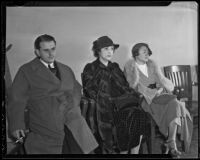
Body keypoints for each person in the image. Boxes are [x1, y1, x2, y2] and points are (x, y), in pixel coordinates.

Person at [7, 34, 98, 154]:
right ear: (37, 52)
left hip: (72, 118)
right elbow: (16, 99)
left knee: (82, 149)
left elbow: (76, 89)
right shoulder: (26, 70)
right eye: (46, 50)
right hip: (45, 119)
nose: (51, 54)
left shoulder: (66, 69)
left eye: (53, 49)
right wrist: (17, 125)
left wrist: (72, 104)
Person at [124, 43, 193, 157]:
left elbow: (160, 80)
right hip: (145, 99)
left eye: (148, 51)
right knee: (176, 105)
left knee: (175, 104)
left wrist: (160, 87)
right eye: (144, 51)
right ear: (136, 53)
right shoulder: (130, 68)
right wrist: (153, 92)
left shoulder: (152, 65)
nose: (147, 54)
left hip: (159, 95)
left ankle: (171, 143)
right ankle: (170, 144)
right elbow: (135, 87)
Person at [81, 36, 147, 154]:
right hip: (106, 106)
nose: (109, 52)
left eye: (111, 49)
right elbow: (90, 90)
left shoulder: (115, 66)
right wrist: (110, 98)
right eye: (106, 49)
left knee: (138, 113)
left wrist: (132, 95)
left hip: (122, 103)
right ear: (98, 51)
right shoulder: (91, 67)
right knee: (128, 115)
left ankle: (134, 152)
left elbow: (125, 86)